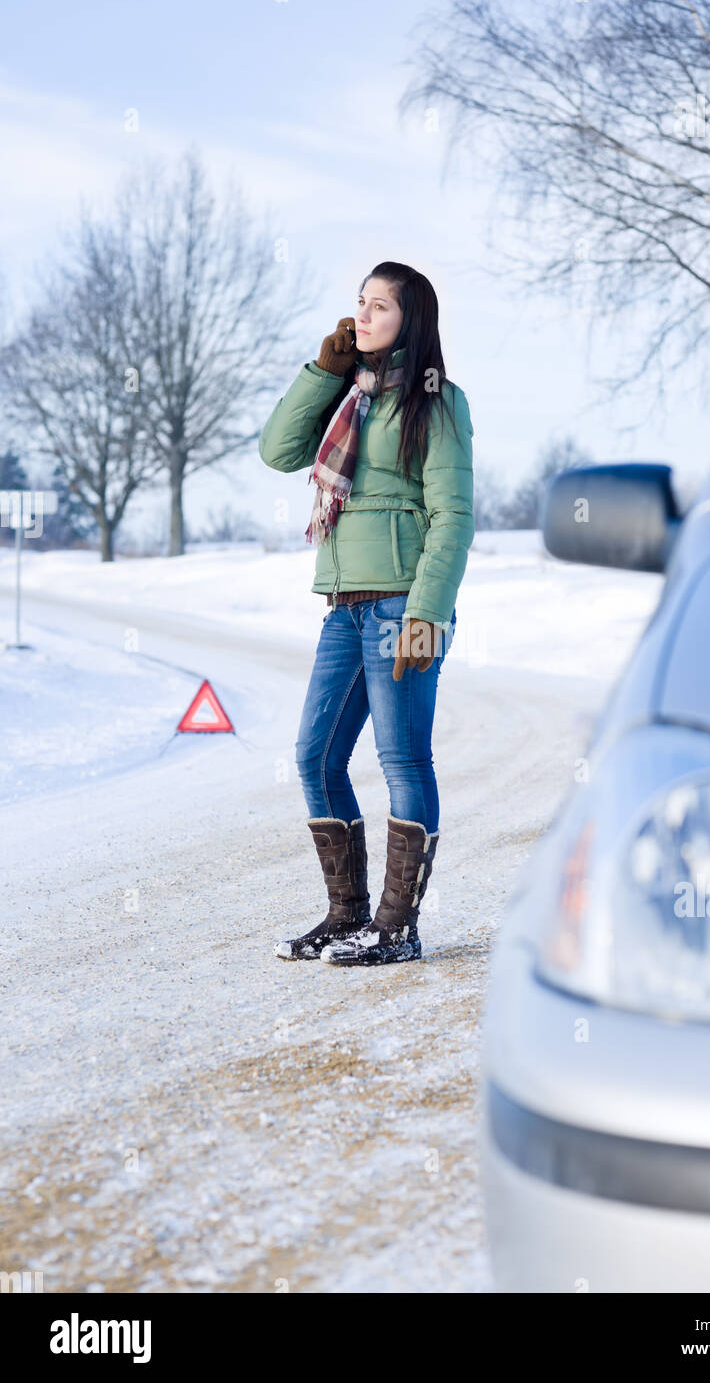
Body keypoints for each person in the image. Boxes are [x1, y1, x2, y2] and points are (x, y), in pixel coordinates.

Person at [258, 261, 474, 966]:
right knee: (315, 756)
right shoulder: (348, 395)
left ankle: (398, 927)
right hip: (343, 605)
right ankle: (346, 915)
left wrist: (427, 611)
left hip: (400, 605)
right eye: (360, 302)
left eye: (381, 305)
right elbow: (278, 451)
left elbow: (452, 515)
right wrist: (324, 371)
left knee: (403, 759)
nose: (364, 314)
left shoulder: (437, 402)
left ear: (412, 319)